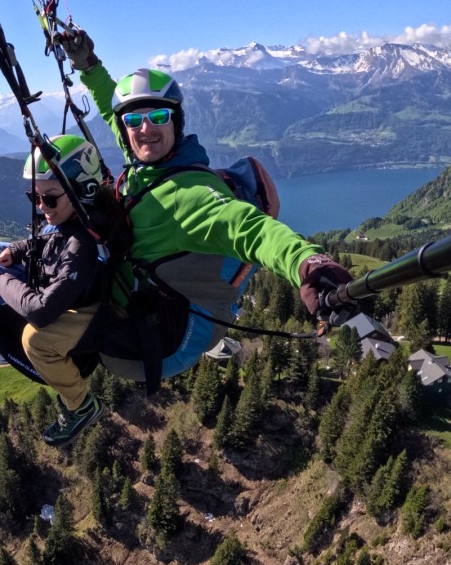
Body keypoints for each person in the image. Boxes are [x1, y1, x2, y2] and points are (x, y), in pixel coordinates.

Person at [47, 29, 353, 392]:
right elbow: (113, 113)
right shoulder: (149, 163)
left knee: (32, 317)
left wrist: (307, 262)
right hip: (143, 297)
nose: (145, 129)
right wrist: (88, 66)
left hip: (160, 340)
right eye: (134, 121)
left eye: (158, 117)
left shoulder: (192, 194)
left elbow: (250, 230)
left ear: (176, 123)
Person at [0, 133, 115, 445]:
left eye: (49, 199)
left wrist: (5, 282)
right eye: (34, 197)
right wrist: (18, 250)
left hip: (73, 304)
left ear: (81, 190)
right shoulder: (79, 213)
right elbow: (50, 238)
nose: (41, 207)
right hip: (56, 277)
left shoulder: (81, 245)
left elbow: (42, 310)